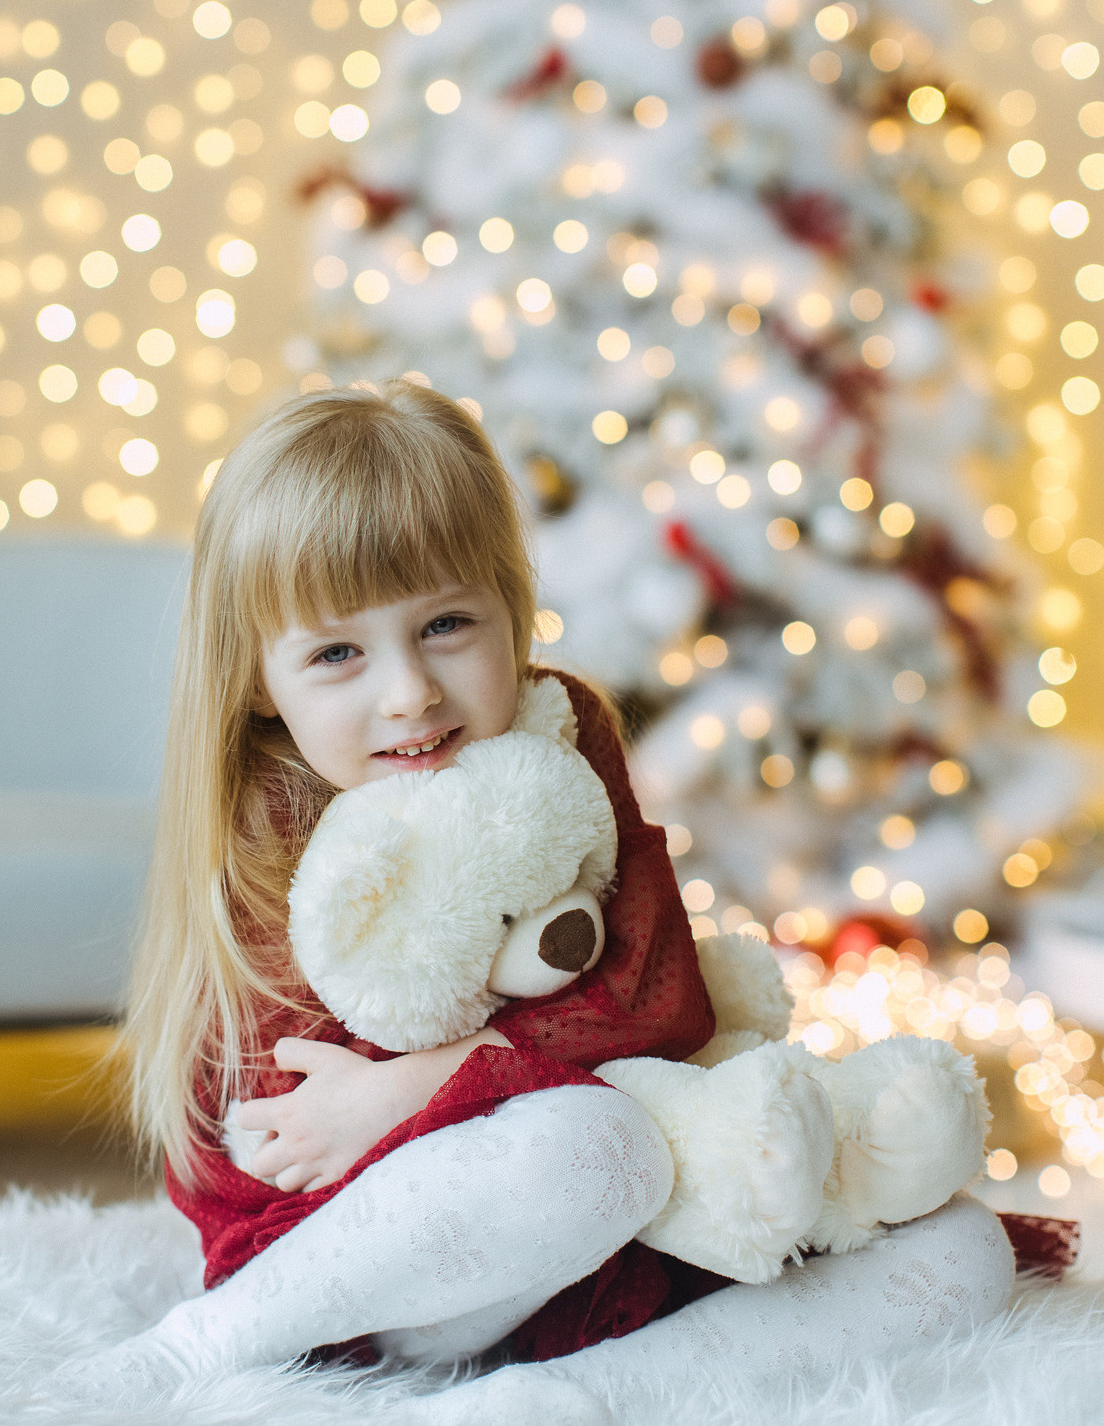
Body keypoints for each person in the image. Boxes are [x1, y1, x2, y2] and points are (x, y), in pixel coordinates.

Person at [66, 381, 1014, 1419]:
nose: (408, 693)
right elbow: (297, 1140)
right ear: (256, 680)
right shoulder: (267, 811)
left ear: (510, 613)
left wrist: (420, 1081)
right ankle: (200, 1347)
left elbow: (661, 1005)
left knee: (964, 1248)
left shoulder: (560, 735)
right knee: (589, 1147)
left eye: (445, 625)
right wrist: (490, 1084)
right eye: (337, 653)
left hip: (618, 1232)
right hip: (370, 1250)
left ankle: (571, 1397)